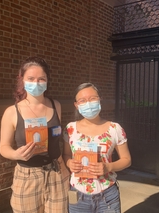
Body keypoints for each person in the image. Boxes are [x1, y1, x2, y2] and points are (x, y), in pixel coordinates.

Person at [0, 56, 70, 213]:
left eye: (41, 79)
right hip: (27, 177)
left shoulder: (55, 106)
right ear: (22, 80)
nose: (36, 83)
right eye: (31, 78)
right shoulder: (12, 112)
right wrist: (16, 154)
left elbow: (57, 137)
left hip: (57, 173)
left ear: (47, 81)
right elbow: (3, 147)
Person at [63, 82, 131, 213]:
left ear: (100, 99)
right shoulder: (70, 129)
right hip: (78, 195)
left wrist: (108, 167)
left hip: (107, 196)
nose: (88, 103)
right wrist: (69, 162)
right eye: (82, 100)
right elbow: (66, 155)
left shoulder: (115, 128)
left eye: (92, 98)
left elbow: (127, 159)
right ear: (76, 105)